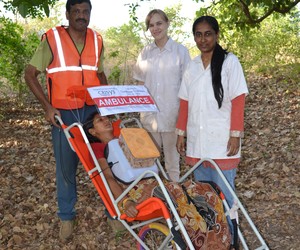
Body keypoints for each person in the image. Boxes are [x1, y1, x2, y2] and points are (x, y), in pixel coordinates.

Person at [83, 111, 231, 249]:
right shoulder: (97, 149)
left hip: (158, 183)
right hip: (134, 192)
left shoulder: (126, 138)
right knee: (176, 193)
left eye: (106, 117)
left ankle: (220, 244)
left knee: (205, 190)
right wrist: (125, 201)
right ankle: (199, 244)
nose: (106, 120)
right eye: (99, 120)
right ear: (92, 131)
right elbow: (108, 178)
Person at [24, 0, 108, 241]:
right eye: (77, 11)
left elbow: (100, 74)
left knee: (102, 162)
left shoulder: (97, 40)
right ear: (68, 14)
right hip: (63, 114)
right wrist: (47, 106)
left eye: (86, 11)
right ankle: (66, 217)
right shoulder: (52, 38)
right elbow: (30, 74)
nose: (81, 16)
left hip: (92, 112)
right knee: (66, 168)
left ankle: (113, 213)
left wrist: (106, 104)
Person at [175, 16, 248, 244]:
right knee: (204, 201)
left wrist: (235, 135)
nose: (203, 39)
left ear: (216, 35)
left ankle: (231, 243)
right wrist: (180, 133)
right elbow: (185, 102)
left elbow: (238, 100)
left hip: (221, 144)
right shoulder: (192, 65)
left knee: (225, 201)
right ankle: (211, 244)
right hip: (198, 142)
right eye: (198, 34)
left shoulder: (229, 62)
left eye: (208, 34)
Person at [133, 9, 191, 182]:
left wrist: (184, 117)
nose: (155, 28)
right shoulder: (144, 53)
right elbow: (139, 84)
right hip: (150, 118)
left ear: (167, 24)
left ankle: (175, 202)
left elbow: (188, 86)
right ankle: (157, 201)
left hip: (172, 116)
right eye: (151, 25)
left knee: (173, 164)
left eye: (159, 23)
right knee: (151, 163)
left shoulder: (180, 52)